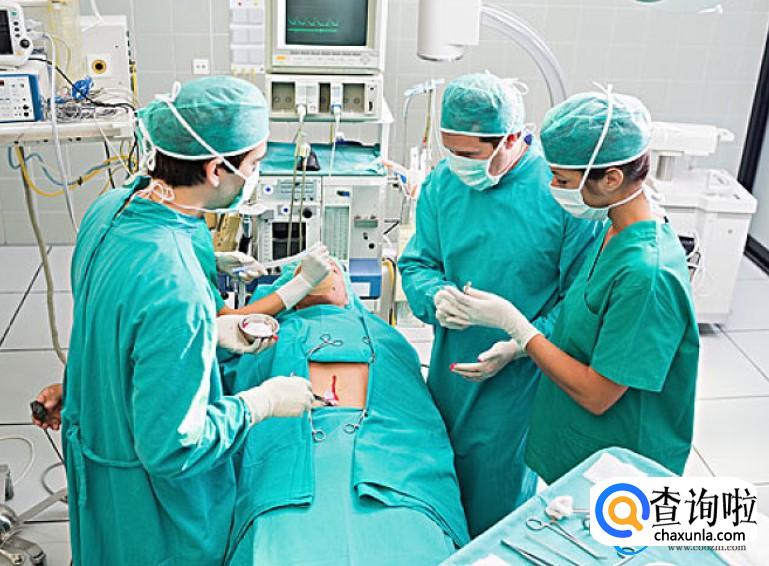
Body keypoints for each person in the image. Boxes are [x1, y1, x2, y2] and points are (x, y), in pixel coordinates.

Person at [58, 77, 318, 565]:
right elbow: (173, 449)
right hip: (151, 511)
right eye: (255, 164)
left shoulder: (109, 209)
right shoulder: (176, 288)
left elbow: (113, 325)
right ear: (217, 169)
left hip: (99, 449)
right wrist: (262, 403)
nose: (256, 176)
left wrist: (207, 333)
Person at [443, 89, 699, 483]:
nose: (552, 185)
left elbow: (598, 395)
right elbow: (586, 327)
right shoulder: (613, 230)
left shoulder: (648, 276)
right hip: (581, 443)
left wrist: (518, 328)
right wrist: (518, 349)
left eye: (563, 179)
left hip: (622, 465)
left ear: (611, 178)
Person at [397, 72, 600, 536]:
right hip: (452, 365)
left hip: (522, 380)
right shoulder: (443, 185)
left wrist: (521, 342)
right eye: (450, 151)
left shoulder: (561, 194)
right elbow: (418, 263)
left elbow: (580, 300)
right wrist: (434, 296)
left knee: (496, 500)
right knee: (440, 483)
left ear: (511, 138)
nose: (457, 165)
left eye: (469, 155)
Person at [219, 261, 470, 565]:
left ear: (348, 293)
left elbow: (411, 399)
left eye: (334, 270)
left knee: (413, 529)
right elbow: (215, 362)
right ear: (290, 294)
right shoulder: (265, 338)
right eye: (304, 274)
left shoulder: (386, 337)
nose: (323, 271)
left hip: (395, 461)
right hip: (291, 460)